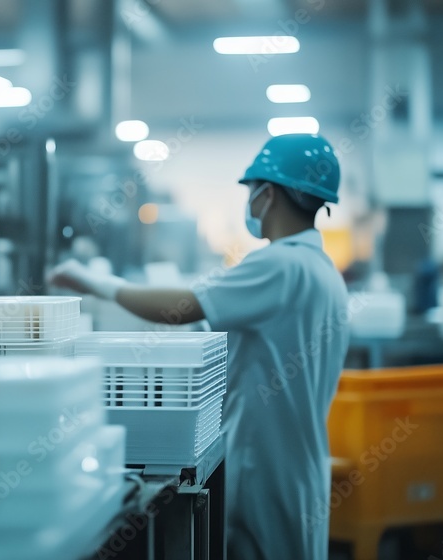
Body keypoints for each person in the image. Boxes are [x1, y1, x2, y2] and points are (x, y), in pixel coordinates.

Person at [50, 133, 350, 560]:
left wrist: (97, 283)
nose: (249, 202)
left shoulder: (280, 264)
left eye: (252, 190)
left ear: (271, 193)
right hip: (299, 459)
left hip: (267, 466)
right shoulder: (321, 269)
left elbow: (183, 306)